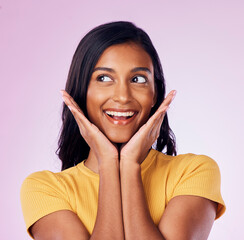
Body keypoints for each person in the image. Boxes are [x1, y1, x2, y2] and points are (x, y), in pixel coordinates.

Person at [21, 21, 225, 240]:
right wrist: (109, 164)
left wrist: (129, 166)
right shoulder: (45, 189)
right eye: (104, 78)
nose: (123, 96)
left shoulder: (194, 171)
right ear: (81, 91)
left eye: (138, 79)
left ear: (155, 94)